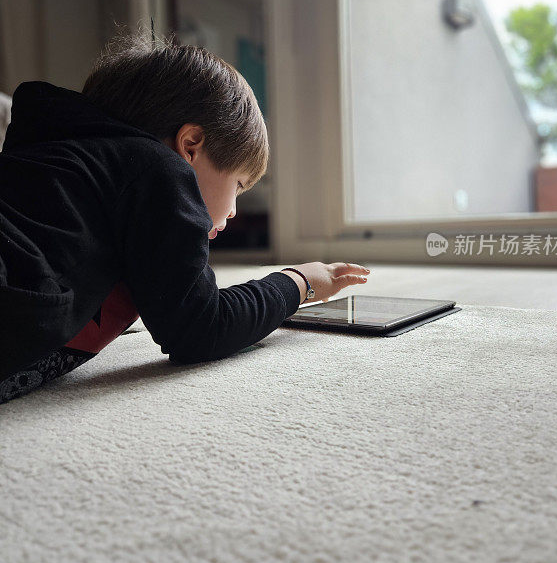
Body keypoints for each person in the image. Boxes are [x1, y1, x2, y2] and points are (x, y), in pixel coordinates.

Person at [0, 28, 370, 403]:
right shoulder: (159, 169)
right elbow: (201, 328)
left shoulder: (68, 166)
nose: (233, 211)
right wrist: (297, 282)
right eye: (239, 185)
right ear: (190, 147)